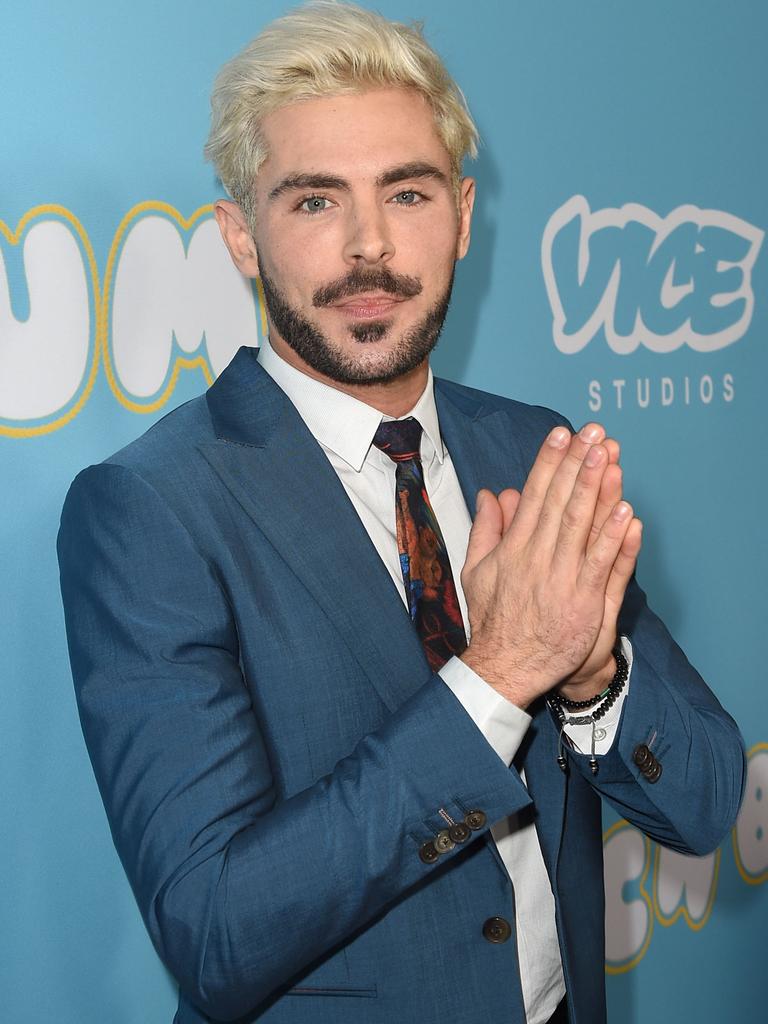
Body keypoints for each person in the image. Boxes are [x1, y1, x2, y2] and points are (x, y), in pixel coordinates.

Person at [57, 3, 745, 1022]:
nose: (369, 246)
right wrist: (505, 673)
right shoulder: (151, 508)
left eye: (407, 191)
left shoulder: (530, 449)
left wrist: (594, 675)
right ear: (242, 238)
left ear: (463, 214)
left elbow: (703, 802)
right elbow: (213, 931)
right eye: (314, 203)